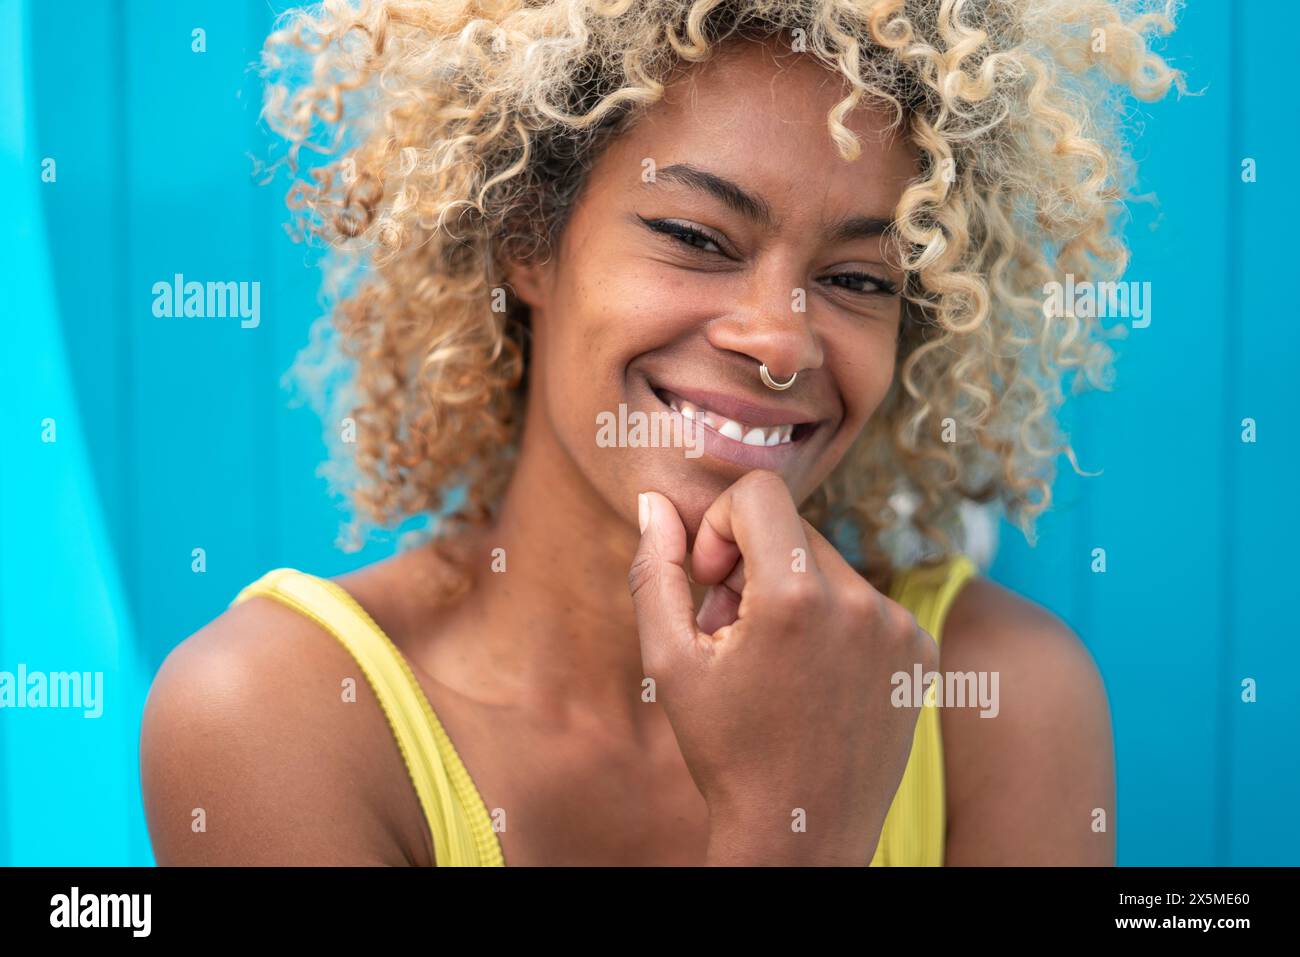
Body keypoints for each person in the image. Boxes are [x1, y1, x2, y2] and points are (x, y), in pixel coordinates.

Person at [140, 0, 1183, 866]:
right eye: (694, 237)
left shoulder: (999, 698)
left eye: (858, 279)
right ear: (526, 242)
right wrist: (792, 838)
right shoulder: (278, 715)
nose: (780, 340)